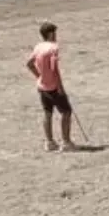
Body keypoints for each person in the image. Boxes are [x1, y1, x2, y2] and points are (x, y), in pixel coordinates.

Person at [26, 21, 77, 152]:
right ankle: (66, 142)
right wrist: (60, 87)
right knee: (66, 112)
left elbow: (29, 63)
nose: (56, 35)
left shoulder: (38, 47)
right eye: (54, 33)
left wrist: (39, 76)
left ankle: (49, 142)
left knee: (47, 113)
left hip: (42, 86)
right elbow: (55, 70)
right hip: (53, 87)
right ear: (50, 34)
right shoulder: (53, 48)